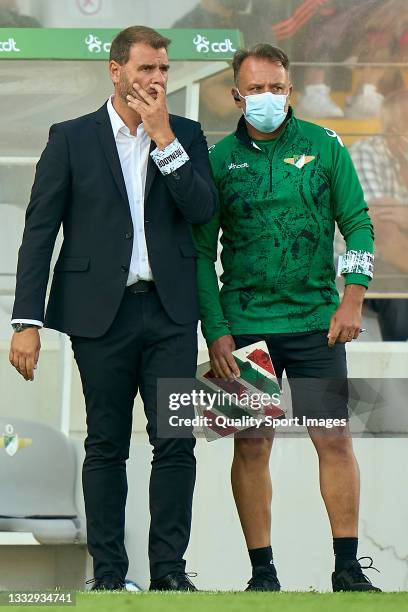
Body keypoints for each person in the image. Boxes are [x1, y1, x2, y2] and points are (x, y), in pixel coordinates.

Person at [9, 25, 217, 592]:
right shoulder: (71, 138)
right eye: (146, 68)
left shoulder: (187, 136)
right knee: (106, 443)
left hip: (172, 313)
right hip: (99, 316)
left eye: (163, 70)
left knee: (175, 442)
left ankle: (171, 575)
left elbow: (201, 210)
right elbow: (39, 231)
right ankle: (109, 576)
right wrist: (27, 320)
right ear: (116, 69)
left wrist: (164, 140)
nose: (155, 79)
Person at [193, 43, 381, 592]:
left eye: (276, 87)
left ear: (291, 90)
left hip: (316, 323)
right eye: (255, 89)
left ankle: (347, 568)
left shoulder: (325, 146)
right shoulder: (218, 159)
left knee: (334, 439)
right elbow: (201, 254)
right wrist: (217, 330)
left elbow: (361, 224)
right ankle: (262, 575)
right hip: (246, 327)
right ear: (236, 95)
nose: (267, 97)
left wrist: (354, 295)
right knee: (250, 444)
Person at [350, 89, 408, 340]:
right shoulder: (367, 152)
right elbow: (382, 232)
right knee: (397, 295)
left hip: (400, 261)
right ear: (393, 126)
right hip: (359, 261)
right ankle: (400, 373)